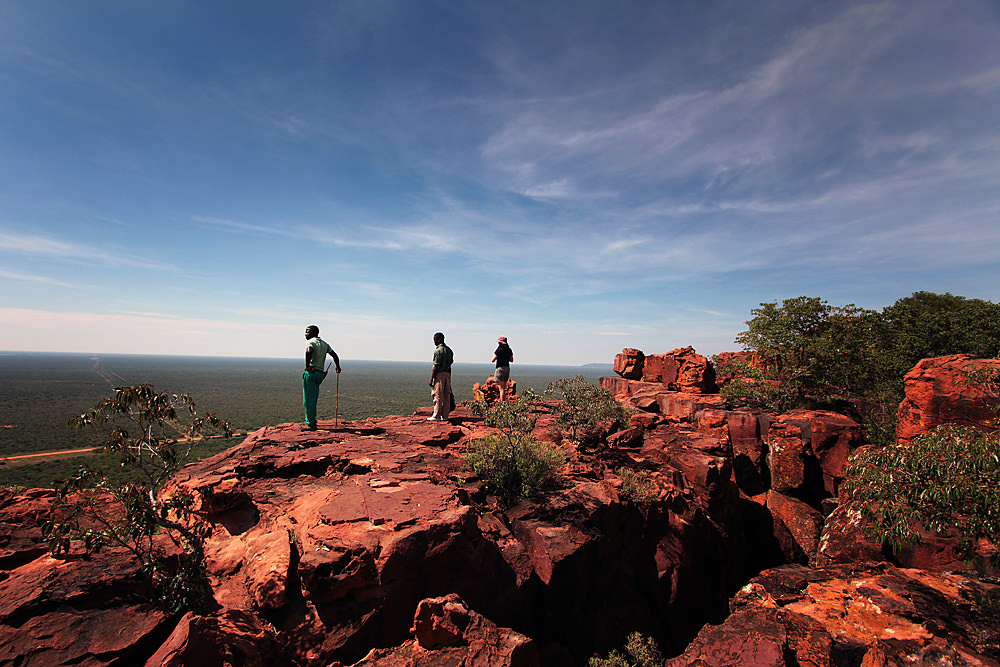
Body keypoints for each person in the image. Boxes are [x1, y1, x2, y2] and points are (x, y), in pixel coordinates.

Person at [302, 325, 341, 431]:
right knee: (313, 397)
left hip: (311, 373)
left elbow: (309, 351)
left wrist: (307, 366)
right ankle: (312, 420)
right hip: (320, 374)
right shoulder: (324, 344)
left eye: (307, 332)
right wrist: (337, 366)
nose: (306, 334)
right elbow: (335, 355)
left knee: (308, 399)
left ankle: (311, 423)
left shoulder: (311, 342)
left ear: (314, 333)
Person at [428, 331, 454, 421]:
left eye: (435, 340)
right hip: (447, 374)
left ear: (439, 340)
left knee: (438, 394)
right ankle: (445, 415)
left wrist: (431, 379)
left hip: (440, 374)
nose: (434, 342)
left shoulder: (438, 351)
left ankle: (436, 415)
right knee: (446, 395)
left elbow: (436, 366)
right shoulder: (449, 350)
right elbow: (450, 363)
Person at [491, 336, 514, 403]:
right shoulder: (509, 350)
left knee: (501, 388)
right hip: (507, 368)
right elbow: (511, 360)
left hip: (500, 368)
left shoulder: (499, 350)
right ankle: (504, 402)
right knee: (503, 387)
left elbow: (493, 360)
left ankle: (502, 403)